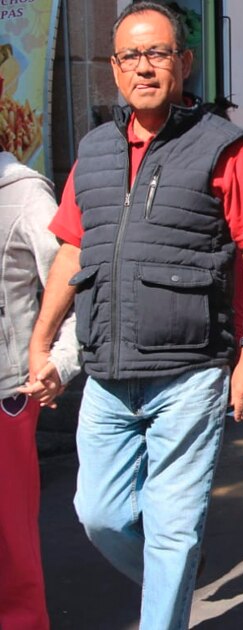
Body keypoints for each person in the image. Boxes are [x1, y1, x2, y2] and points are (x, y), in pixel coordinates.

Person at [25, 4, 243, 627]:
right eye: (132, 56)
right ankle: (171, 576)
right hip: (108, 371)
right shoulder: (95, 149)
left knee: (173, 525)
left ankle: (165, 602)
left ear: (183, 62)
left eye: (159, 53)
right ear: (114, 68)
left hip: (190, 371)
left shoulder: (224, 146)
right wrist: (41, 341)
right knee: (98, 514)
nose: (146, 68)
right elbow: (72, 251)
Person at [0, 149, 80, 630]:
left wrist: (59, 361)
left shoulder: (23, 193)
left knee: (10, 546)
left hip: (4, 393)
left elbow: (74, 280)